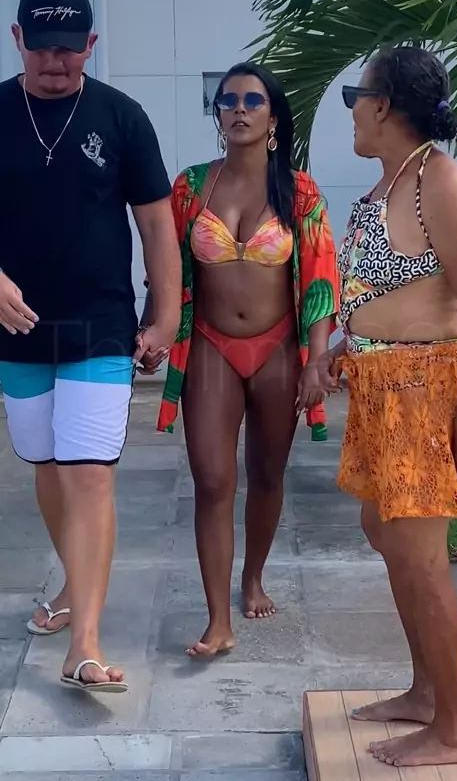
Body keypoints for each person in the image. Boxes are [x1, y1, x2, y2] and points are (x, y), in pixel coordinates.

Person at [0, 0, 181, 692]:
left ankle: (85, 643)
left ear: (91, 45)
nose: (56, 62)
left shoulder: (121, 116)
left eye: (70, 50)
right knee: (47, 465)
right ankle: (76, 587)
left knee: (88, 472)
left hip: (101, 323)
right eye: (42, 48)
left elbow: (156, 223)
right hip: (17, 328)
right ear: (18, 40)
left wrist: (164, 313)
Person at [141, 62, 339, 656]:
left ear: (273, 118)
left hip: (278, 348)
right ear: (218, 114)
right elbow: (166, 267)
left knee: (268, 474)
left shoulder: (299, 192)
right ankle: (217, 620)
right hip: (210, 346)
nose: (239, 109)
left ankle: (252, 577)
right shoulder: (191, 187)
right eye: (228, 100)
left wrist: (317, 358)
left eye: (254, 100)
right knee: (211, 480)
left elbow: (321, 278)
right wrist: (154, 328)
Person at [317, 46, 457, 767]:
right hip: (381, 390)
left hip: (424, 393)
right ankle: (424, 692)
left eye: (356, 97)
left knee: (420, 557)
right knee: (384, 532)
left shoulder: (441, 183)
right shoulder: (394, 181)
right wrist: (342, 345)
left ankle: (454, 729)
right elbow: (386, 292)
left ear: (382, 105)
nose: (352, 110)